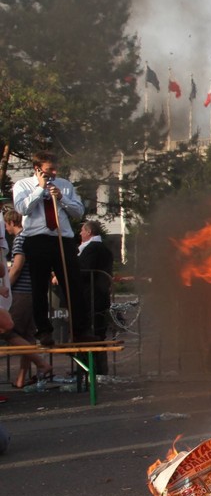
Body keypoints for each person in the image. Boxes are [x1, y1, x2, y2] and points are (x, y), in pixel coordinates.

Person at [12, 151, 93, 346]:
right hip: (37, 239)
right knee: (39, 286)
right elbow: (22, 209)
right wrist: (40, 189)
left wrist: (62, 199)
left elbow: (79, 212)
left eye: (56, 168)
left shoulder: (64, 185)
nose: (54, 172)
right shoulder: (22, 185)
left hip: (62, 239)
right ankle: (44, 331)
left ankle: (80, 330)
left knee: (72, 284)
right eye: (49, 169)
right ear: (37, 169)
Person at [2, 208, 50, 387]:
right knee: (27, 335)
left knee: (9, 332)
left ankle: (41, 363)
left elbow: (17, 267)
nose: (6, 229)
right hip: (33, 290)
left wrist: (7, 287)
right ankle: (22, 378)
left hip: (22, 292)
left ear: (12, 222)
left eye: (6, 225)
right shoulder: (31, 238)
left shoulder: (20, 239)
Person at [77, 221, 114, 374]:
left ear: (89, 231)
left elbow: (85, 271)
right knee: (97, 331)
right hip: (99, 295)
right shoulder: (104, 249)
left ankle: (91, 368)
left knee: (91, 331)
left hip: (91, 296)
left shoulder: (93, 249)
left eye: (82, 230)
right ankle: (94, 368)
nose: (80, 233)